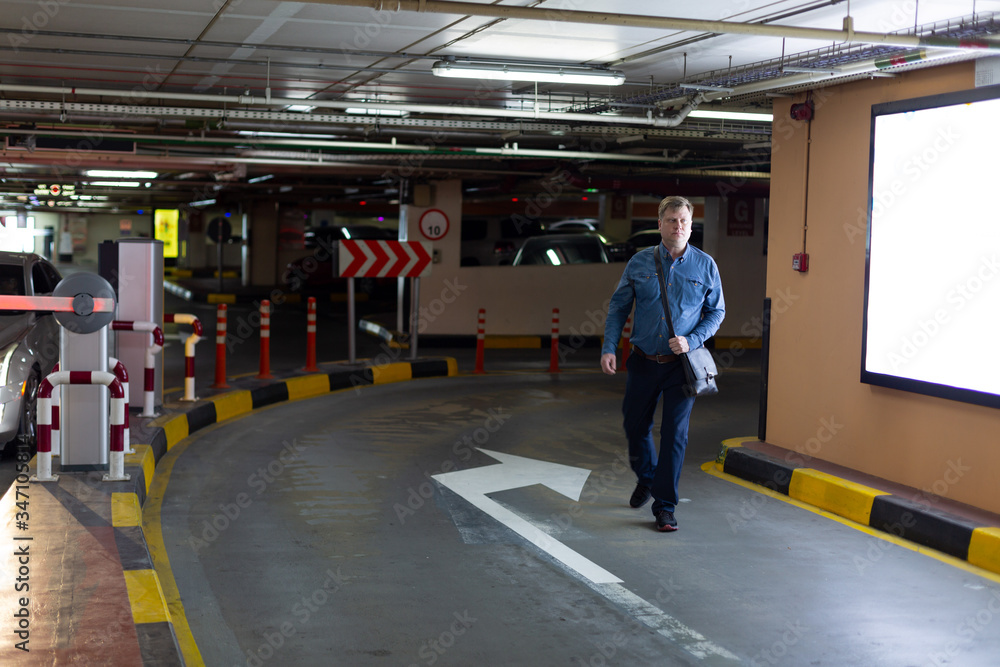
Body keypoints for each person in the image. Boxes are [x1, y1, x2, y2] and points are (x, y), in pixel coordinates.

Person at [600, 196, 725, 532]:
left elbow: (717, 311)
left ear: (691, 224)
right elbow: (618, 308)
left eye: (684, 221)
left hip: (680, 366)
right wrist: (609, 347)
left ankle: (665, 506)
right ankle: (648, 476)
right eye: (671, 220)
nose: (678, 226)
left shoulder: (705, 265)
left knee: (675, 435)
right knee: (634, 426)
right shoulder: (640, 263)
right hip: (642, 361)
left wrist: (693, 339)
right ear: (660, 224)